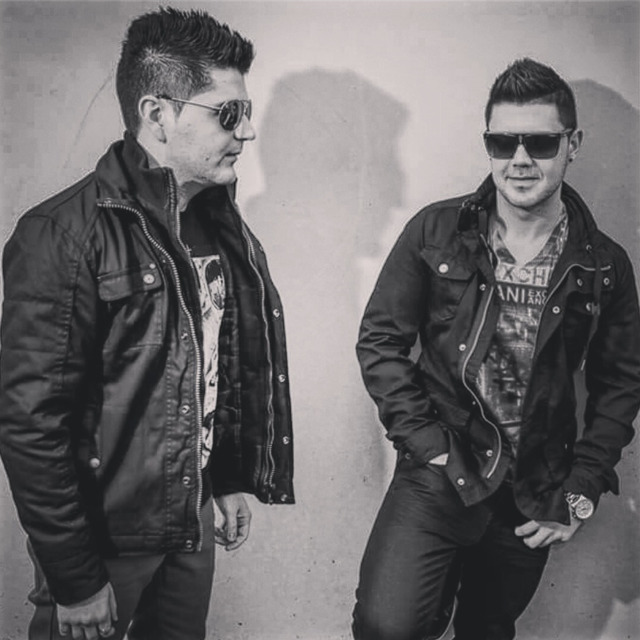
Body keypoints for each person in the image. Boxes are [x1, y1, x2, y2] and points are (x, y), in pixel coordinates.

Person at [0, 7, 294, 640]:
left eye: (247, 112)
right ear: (157, 114)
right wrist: (75, 577)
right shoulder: (63, 234)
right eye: (229, 113)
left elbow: (211, 365)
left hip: (190, 517)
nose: (246, 133)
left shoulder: (217, 224)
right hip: (106, 536)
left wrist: (225, 477)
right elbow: (30, 422)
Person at [352, 58, 640, 640]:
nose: (520, 159)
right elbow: (380, 341)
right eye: (503, 142)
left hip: (531, 486)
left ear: (573, 143)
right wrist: (426, 443)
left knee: (487, 629)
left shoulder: (604, 265)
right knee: (387, 626)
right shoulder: (436, 231)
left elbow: (621, 383)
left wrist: (581, 489)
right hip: (442, 470)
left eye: (540, 142)